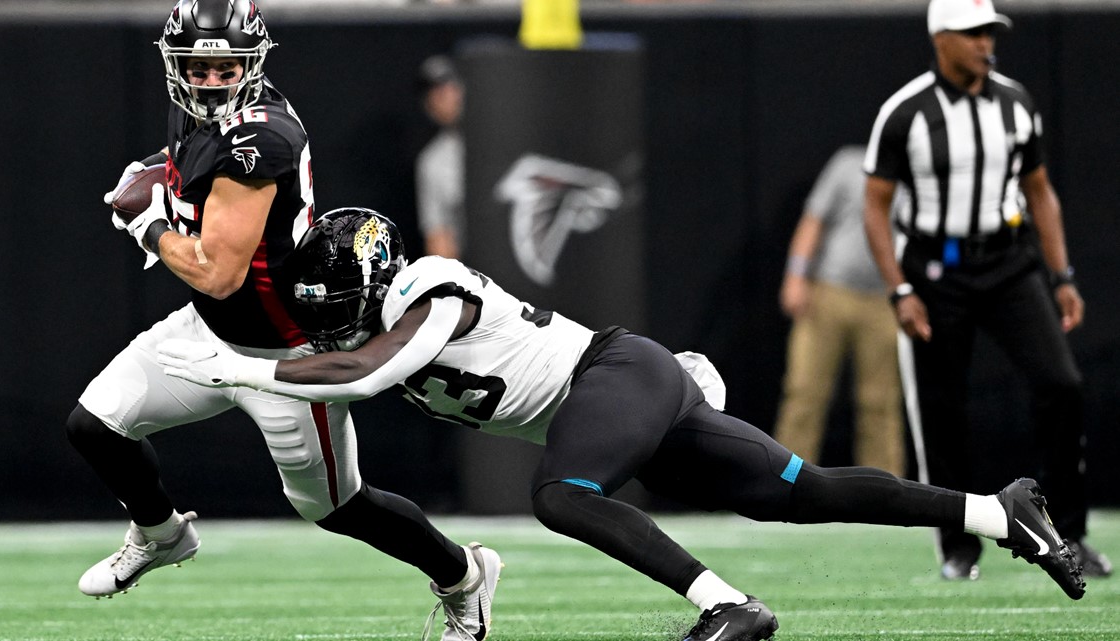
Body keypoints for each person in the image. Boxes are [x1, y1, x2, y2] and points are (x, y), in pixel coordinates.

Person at [157, 207, 1086, 641]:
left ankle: (726, 605)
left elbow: (363, 369)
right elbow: (341, 365)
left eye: (338, 304)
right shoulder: (369, 316)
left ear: (376, 277)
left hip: (616, 375)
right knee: (798, 493)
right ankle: (1004, 513)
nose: (333, 323)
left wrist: (228, 365)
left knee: (562, 494)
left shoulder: (429, 288)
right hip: (624, 395)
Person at [70, 4, 500, 639]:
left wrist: (149, 222)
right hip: (208, 332)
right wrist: (156, 174)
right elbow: (193, 166)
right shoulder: (197, 111)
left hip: (285, 356)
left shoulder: (261, 138)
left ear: (253, 63)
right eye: (198, 67)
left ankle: (463, 574)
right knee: (95, 425)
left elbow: (219, 272)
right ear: (176, 65)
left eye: (226, 68)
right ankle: (161, 533)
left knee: (338, 508)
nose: (211, 81)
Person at [862, 0, 1111, 581]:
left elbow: (1040, 190)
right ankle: (958, 547)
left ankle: (1068, 530)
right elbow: (875, 207)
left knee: (1062, 385)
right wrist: (900, 289)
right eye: (973, 32)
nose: (985, 43)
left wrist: (1062, 275)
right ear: (941, 38)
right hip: (934, 271)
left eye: (990, 32)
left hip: (1008, 262)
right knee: (943, 409)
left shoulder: (1016, 102)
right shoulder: (905, 112)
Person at [775, 145, 905, 476]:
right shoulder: (849, 164)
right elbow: (813, 220)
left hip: (884, 301)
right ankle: (784, 485)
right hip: (829, 293)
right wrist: (795, 276)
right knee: (805, 392)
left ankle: (885, 495)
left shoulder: (920, 179)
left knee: (881, 403)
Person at [414, 54, 466, 260]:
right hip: (481, 277)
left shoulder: (511, 136)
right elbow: (439, 237)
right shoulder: (433, 162)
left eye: (448, 86)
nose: (442, 97)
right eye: (433, 92)